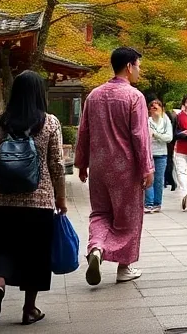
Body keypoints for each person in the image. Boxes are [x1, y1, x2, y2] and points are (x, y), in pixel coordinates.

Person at [0, 71, 67, 326]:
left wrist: (4, 161)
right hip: (38, 203)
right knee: (35, 255)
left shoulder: (1, 122)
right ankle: (29, 309)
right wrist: (60, 199)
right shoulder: (50, 122)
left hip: (1, 201)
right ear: (40, 93)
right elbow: (57, 165)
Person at [76, 47, 153, 287]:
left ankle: (97, 247)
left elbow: (84, 131)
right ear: (129, 66)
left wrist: (81, 162)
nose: (139, 70)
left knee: (100, 212)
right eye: (138, 65)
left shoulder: (94, 95)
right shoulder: (134, 97)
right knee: (128, 217)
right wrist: (147, 167)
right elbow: (140, 135)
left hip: (99, 165)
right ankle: (124, 266)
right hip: (125, 167)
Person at [145, 100, 172, 213]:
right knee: (148, 178)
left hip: (161, 154)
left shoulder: (165, 121)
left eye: (157, 106)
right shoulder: (146, 121)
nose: (154, 108)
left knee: (159, 180)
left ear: (161, 108)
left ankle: (157, 203)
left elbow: (169, 138)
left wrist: (155, 134)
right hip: (149, 153)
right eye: (152, 106)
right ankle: (148, 203)